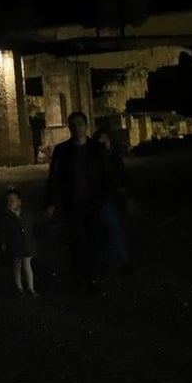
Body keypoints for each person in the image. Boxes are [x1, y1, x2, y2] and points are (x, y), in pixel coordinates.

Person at [47, 111, 112, 294]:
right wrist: (52, 202)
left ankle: (92, 279)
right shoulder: (62, 150)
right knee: (76, 243)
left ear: (86, 126)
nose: (77, 127)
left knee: (93, 242)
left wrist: (108, 199)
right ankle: (79, 279)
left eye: (80, 124)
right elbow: (54, 178)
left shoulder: (97, 149)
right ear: (69, 127)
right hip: (72, 205)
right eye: (73, 124)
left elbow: (106, 175)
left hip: (93, 204)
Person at [93, 128, 135, 276]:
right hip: (103, 200)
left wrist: (126, 195)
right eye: (101, 141)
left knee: (110, 230)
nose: (104, 143)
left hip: (115, 199)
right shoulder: (95, 161)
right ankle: (121, 261)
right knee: (113, 229)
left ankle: (106, 261)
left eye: (106, 140)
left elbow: (123, 177)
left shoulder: (114, 158)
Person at [0, 187, 47, 296]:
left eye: (12, 200)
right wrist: (3, 242)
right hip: (15, 244)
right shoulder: (6, 216)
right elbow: (3, 231)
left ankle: (30, 288)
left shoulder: (26, 212)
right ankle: (19, 288)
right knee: (17, 265)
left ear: (19, 201)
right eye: (8, 201)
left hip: (26, 244)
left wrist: (47, 214)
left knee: (27, 265)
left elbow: (35, 220)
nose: (9, 203)